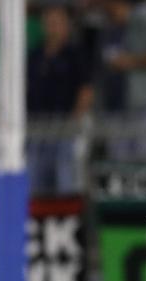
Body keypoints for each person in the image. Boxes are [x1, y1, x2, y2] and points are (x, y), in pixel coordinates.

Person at [26, 5, 94, 194]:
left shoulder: (75, 54)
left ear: (66, 25)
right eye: (48, 23)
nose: (52, 27)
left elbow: (86, 89)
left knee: (65, 179)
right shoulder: (35, 55)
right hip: (37, 125)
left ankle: (69, 218)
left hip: (63, 125)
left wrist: (75, 120)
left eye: (56, 23)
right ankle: (37, 218)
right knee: (35, 179)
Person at [99, 0, 146, 162]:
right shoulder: (105, 25)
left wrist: (130, 62)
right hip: (115, 107)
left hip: (144, 106)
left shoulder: (143, 19)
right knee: (119, 166)